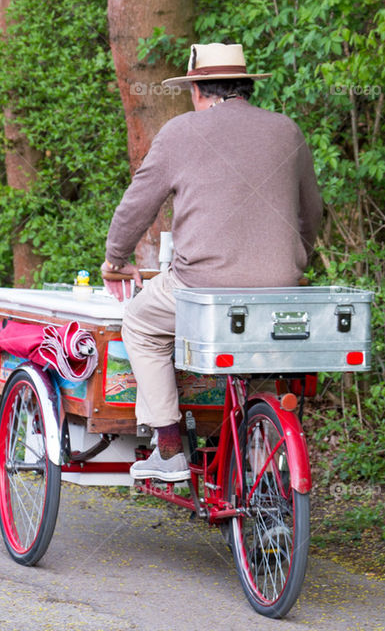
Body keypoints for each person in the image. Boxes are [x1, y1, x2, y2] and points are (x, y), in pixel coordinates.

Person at [102, 43, 323, 482]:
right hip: (280, 288)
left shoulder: (182, 132)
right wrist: (295, 260)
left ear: (199, 90)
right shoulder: (286, 130)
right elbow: (312, 211)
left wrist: (115, 258)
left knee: (141, 325)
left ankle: (168, 449)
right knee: (256, 357)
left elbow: (136, 204)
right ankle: (261, 461)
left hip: (199, 286)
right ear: (244, 87)